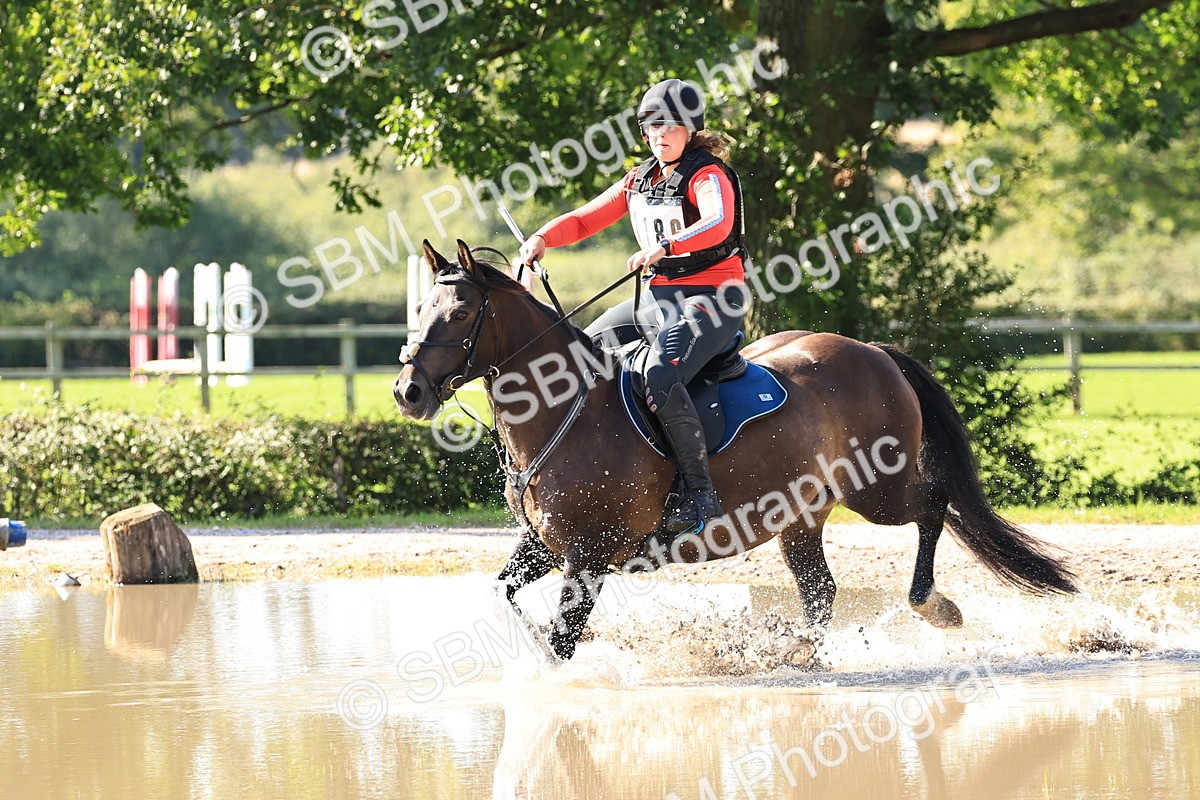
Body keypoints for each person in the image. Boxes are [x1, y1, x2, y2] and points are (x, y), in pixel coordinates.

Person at [518, 78, 748, 534]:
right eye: (652, 127)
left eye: (671, 126)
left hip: (714, 300)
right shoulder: (640, 179)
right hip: (660, 303)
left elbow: (718, 223)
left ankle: (700, 494)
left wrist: (667, 245)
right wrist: (543, 237)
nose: (660, 134)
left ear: (691, 130)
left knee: (662, 372)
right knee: (585, 352)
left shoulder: (708, 174)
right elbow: (586, 218)